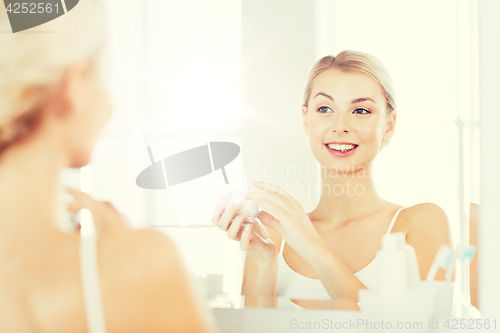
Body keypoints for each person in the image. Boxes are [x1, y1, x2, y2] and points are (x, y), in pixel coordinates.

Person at [0, 1, 216, 332]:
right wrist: (127, 257)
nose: (111, 105)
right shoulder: (142, 269)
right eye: (103, 71)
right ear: (74, 84)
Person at [212, 50, 455, 310]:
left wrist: (312, 246)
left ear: (389, 124)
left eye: (360, 110)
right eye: (325, 108)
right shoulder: (275, 236)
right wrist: (263, 259)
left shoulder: (420, 223)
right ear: (306, 120)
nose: (340, 126)